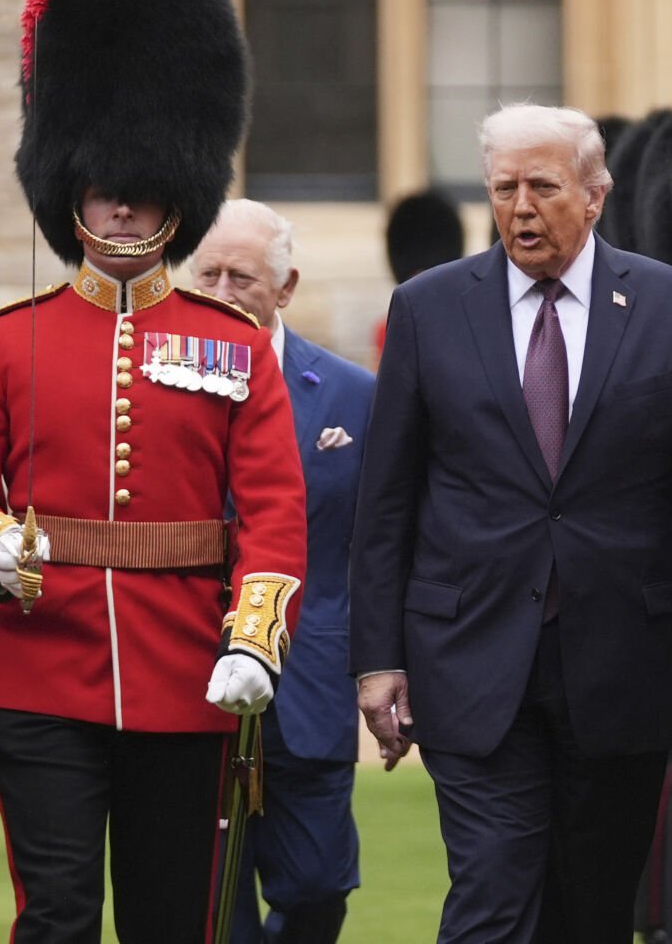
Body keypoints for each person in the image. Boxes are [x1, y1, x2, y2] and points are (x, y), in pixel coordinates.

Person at [0, 0, 308, 944]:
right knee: (55, 917)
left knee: (171, 921)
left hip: (186, 674)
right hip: (40, 672)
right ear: (70, 193)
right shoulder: (8, 341)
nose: (121, 203)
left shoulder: (231, 345)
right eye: (100, 186)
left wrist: (252, 636)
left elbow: (272, 509)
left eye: (139, 184)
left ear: (178, 192)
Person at [349, 102, 672, 942]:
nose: (520, 208)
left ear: (595, 194)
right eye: (503, 189)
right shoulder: (428, 309)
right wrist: (377, 658)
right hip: (468, 654)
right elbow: (386, 499)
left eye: (542, 186)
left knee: (591, 909)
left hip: (620, 658)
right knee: (493, 896)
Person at [193, 199, 375, 944]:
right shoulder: (154, 390)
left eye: (241, 277)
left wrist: (387, 665)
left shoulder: (352, 395)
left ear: (286, 286)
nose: (222, 291)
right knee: (210, 902)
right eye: (208, 274)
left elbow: (379, 546)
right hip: (188, 676)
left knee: (318, 885)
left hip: (310, 679)